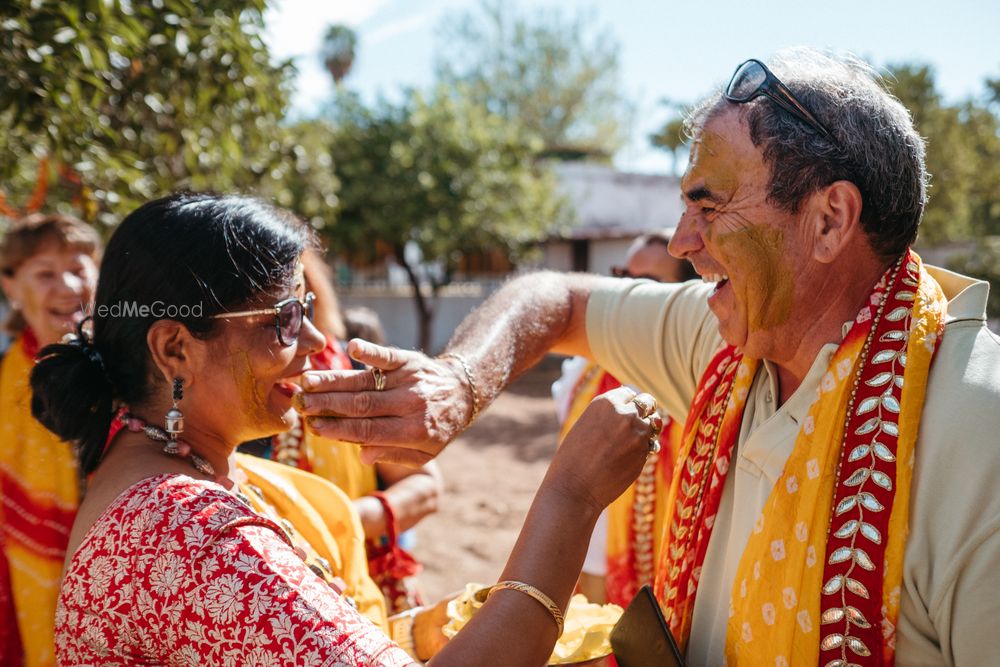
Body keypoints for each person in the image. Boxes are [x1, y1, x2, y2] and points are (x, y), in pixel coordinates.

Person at [297, 49, 1000, 666]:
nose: (680, 242)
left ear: (828, 220)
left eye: (708, 205)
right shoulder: (722, 342)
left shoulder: (977, 428)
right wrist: (460, 380)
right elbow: (557, 296)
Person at [31, 193, 655, 665]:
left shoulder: (174, 475)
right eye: (281, 318)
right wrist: (571, 497)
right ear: (174, 349)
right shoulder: (186, 528)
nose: (316, 340)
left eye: (305, 308)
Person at [273, 251, 442, 612]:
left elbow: (426, 487)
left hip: (358, 598)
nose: (310, 339)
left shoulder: (343, 373)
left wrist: (345, 520)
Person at [552, 231, 694, 607]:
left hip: (658, 572)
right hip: (579, 556)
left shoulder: (690, 376)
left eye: (647, 283)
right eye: (623, 276)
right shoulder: (583, 368)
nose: (629, 293)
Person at [0, 213, 101, 667]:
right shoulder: (6, 374)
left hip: (111, 578)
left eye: (79, 269)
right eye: (44, 273)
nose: (66, 286)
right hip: (20, 579)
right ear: (11, 286)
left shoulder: (130, 371)